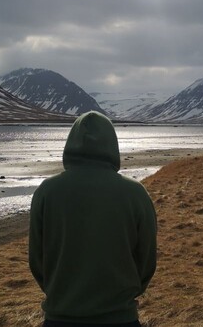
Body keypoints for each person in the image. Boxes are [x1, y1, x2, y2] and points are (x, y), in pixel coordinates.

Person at [29, 111, 157, 327]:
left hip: (60, 317)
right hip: (120, 318)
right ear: (111, 145)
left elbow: (37, 260)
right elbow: (146, 260)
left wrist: (62, 295)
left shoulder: (46, 192)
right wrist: (124, 296)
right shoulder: (135, 193)